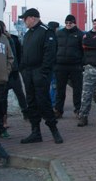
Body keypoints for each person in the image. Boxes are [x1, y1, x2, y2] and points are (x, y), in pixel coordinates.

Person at [18, 8, 63, 144]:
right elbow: (23, 52)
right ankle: (35, 132)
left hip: (40, 73)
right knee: (31, 102)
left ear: (33, 18)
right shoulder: (28, 34)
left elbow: (50, 54)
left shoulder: (46, 31)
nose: (24, 21)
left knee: (43, 102)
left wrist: (43, 72)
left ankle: (54, 131)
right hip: (28, 73)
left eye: (25, 19)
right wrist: (23, 69)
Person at [54, 15, 84, 119]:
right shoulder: (59, 33)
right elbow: (54, 48)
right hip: (60, 65)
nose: (68, 24)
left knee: (77, 89)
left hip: (75, 66)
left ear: (74, 23)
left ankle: (78, 109)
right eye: (66, 22)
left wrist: (81, 63)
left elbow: (83, 50)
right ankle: (58, 110)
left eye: (70, 23)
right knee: (60, 89)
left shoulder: (80, 34)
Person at [0, 21, 29, 121]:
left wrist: (18, 67)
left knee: (19, 93)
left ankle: (25, 112)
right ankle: (4, 117)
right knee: (4, 97)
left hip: (13, 72)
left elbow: (19, 54)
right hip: (4, 73)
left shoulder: (13, 39)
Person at [47, 21, 60, 108]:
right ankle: (52, 103)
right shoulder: (56, 38)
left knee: (48, 85)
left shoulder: (45, 36)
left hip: (47, 65)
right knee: (54, 85)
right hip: (54, 65)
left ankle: (48, 102)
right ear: (56, 28)